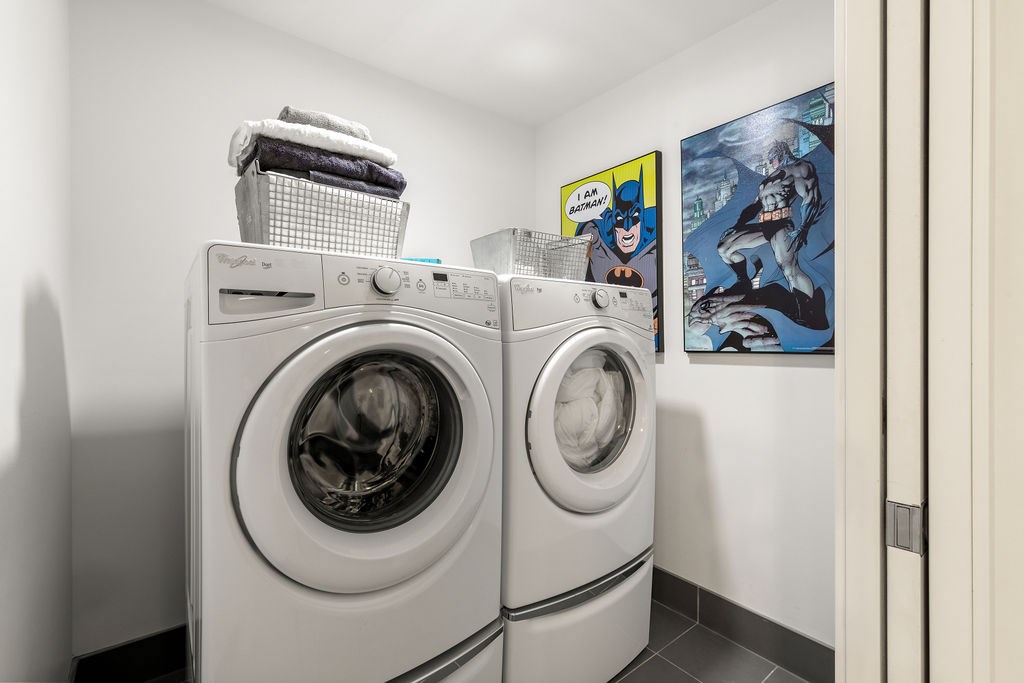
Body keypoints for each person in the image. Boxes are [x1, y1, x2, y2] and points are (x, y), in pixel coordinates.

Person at [715, 139, 824, 318]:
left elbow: (811, 197)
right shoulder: (767, 181)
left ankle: (808, 311)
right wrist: (737, 226)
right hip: (764, 224)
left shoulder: (799, 167)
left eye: (772, 157)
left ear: (781, 153)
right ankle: (743, 282)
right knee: (724, 248)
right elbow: (754, 207)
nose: (770, 161)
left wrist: (804, 227)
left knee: (789, 269)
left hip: (782, 224)